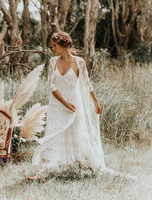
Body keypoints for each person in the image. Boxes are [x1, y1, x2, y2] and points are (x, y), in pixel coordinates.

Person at [28, 32, 106, 181]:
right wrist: (65, 103)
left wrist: (96, 103)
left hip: (74, 105)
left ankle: (75, 167)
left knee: (75, 134)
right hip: (57, 105)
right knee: (53, 136)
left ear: (64, 45)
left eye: (54, 45)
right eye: (52, 46)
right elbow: (51, 85)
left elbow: (87, 84)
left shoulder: (79, 62)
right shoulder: (53, 61)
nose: (52, 48)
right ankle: (42, 172)